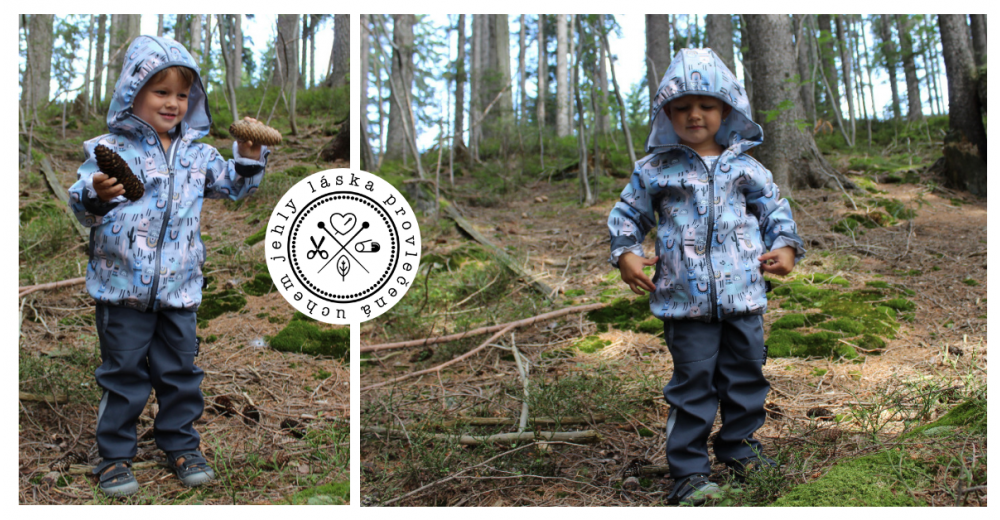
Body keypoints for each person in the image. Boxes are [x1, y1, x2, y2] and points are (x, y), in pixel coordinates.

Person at [68, 35, 270, 497]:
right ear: (132, 92)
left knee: (180, 373)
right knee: (123, 373)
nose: (173, 103)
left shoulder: (198, 154)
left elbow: (234, 188)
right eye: (161, 92)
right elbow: (81, 203)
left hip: (180, 289)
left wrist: (248, 157)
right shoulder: (108, 148)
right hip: (120, 289)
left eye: (182, 94)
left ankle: (181, 444)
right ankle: (113, 456)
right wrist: (97, 194)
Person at [606, 48, 804, 506]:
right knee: (692, 387)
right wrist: (626, 254)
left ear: (727, 109)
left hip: (745, 299)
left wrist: (787, 246)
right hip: (684, 303)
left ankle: (740, 450)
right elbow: (627, 215)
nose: (695, 114)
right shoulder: (654, 169)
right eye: (682, 107)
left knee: (747, 380)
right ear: (667, 113)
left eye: (707, 105)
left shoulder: (746, 166)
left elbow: (774, 209)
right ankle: (689, 473)